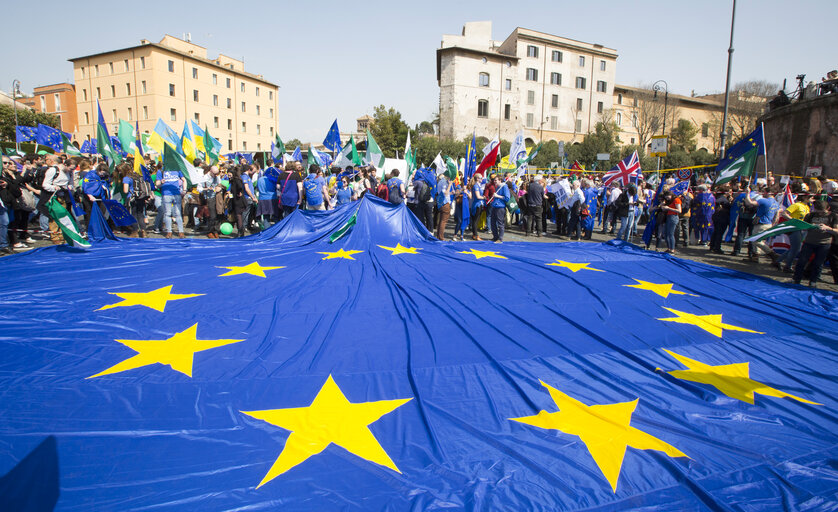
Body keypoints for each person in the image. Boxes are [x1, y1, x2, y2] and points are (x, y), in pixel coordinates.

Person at [793, 200, 837, 287]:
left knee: (818, 263)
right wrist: (810, 226)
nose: (820, 214)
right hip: (809, 242)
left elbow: (837, 230)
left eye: (822, 212)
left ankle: (813, 282)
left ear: (828, 209)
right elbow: (803, 228)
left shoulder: (833, 216)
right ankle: (796, 280)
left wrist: (828, 228)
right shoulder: (810, 215)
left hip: (824, 243)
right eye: (818, 212)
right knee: (802, 261)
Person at [742, 185, 781, 265]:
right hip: (769, 224)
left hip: (761, 223)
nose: (762, 193)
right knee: (760, 241)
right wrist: (773, 224)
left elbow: (749, 202)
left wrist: (747, 193)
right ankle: (755, 257)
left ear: (768, 193)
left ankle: (772, 254)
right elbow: (777, 215)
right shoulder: (776, 203)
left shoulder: (764, 201)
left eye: (764, 192)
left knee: (755, 240)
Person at [779, 193, 812, 272]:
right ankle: (788, 266)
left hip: (802, 229)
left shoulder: (807, 207)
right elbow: (784, 213)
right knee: (795, 248)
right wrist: (793, 221)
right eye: (811, 197)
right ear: (805, 197)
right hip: (795, 228)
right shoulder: (796, 205)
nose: (812, 199)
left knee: (795, 248)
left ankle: (778, 261)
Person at [155, 158, 186, 239]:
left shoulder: (177, 169)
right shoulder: (160, 171)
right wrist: (161, 182)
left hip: (176, 193)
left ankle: (181, 231)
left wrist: (184, 189)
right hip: (166, 194)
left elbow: (184, 179)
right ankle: (169, 231)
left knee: (178, 213)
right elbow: (157, 184)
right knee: (167, 213)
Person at [489, 175, 510, 243]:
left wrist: (498, 196)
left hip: (500, 207)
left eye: (496, 180)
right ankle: (495, 236)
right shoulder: (497, 187)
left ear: (500, 180)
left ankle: (500, 238)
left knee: (500, 223)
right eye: (494, 180)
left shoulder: (504, 187)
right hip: (495, 206)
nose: (494, 181)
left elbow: (507, 198)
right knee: (492, 222)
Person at [660, 190, 681, 254]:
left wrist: (669, 208)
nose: (667, 197)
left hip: (673, 217)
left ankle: (672, 249)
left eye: (668, 196)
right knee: (666, 234)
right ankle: (669, 248)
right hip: (668, 216)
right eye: (666, 196)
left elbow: (679, 210)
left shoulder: (676, 200)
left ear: (671, 195)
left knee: (670, 234)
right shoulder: (668, 201)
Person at [435, 172, 452, 240]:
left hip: (441, 201)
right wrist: (450, 185)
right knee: (443, 220)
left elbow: (445, 193)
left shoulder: (440, 182)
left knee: (442, 220)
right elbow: (445, 193)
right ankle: (441, 237)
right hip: (445, 202)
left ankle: (439, 235)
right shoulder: (444, 182)